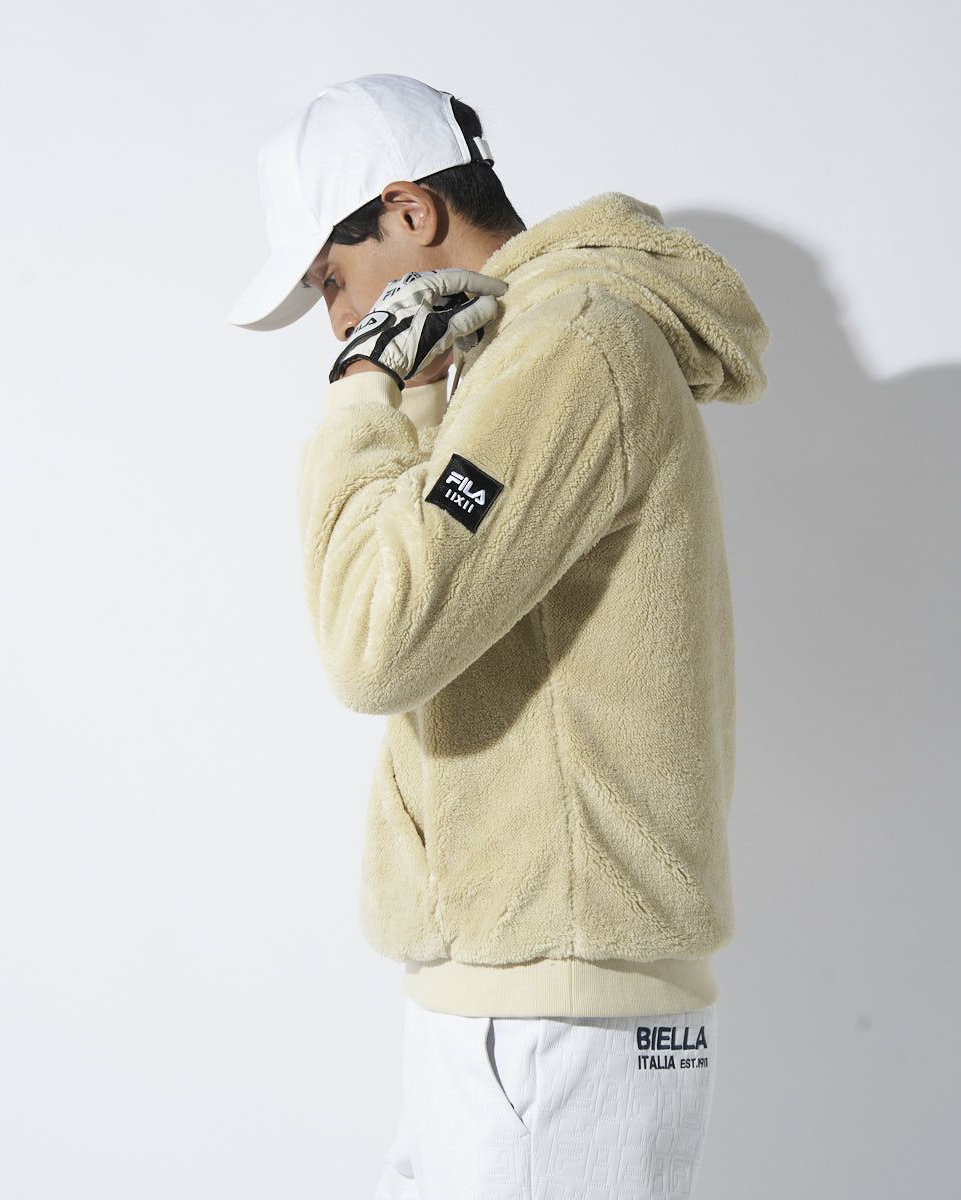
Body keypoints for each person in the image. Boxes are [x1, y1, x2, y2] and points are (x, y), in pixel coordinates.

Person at [227, 72, 770, 1200]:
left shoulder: (570, 347)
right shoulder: (517, 352)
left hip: (551, 1021)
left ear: (409, 211)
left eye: (332, 279)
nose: (338, 320)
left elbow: (374, 640)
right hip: (516, 1004)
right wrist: (424, 396)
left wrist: (365, 390)